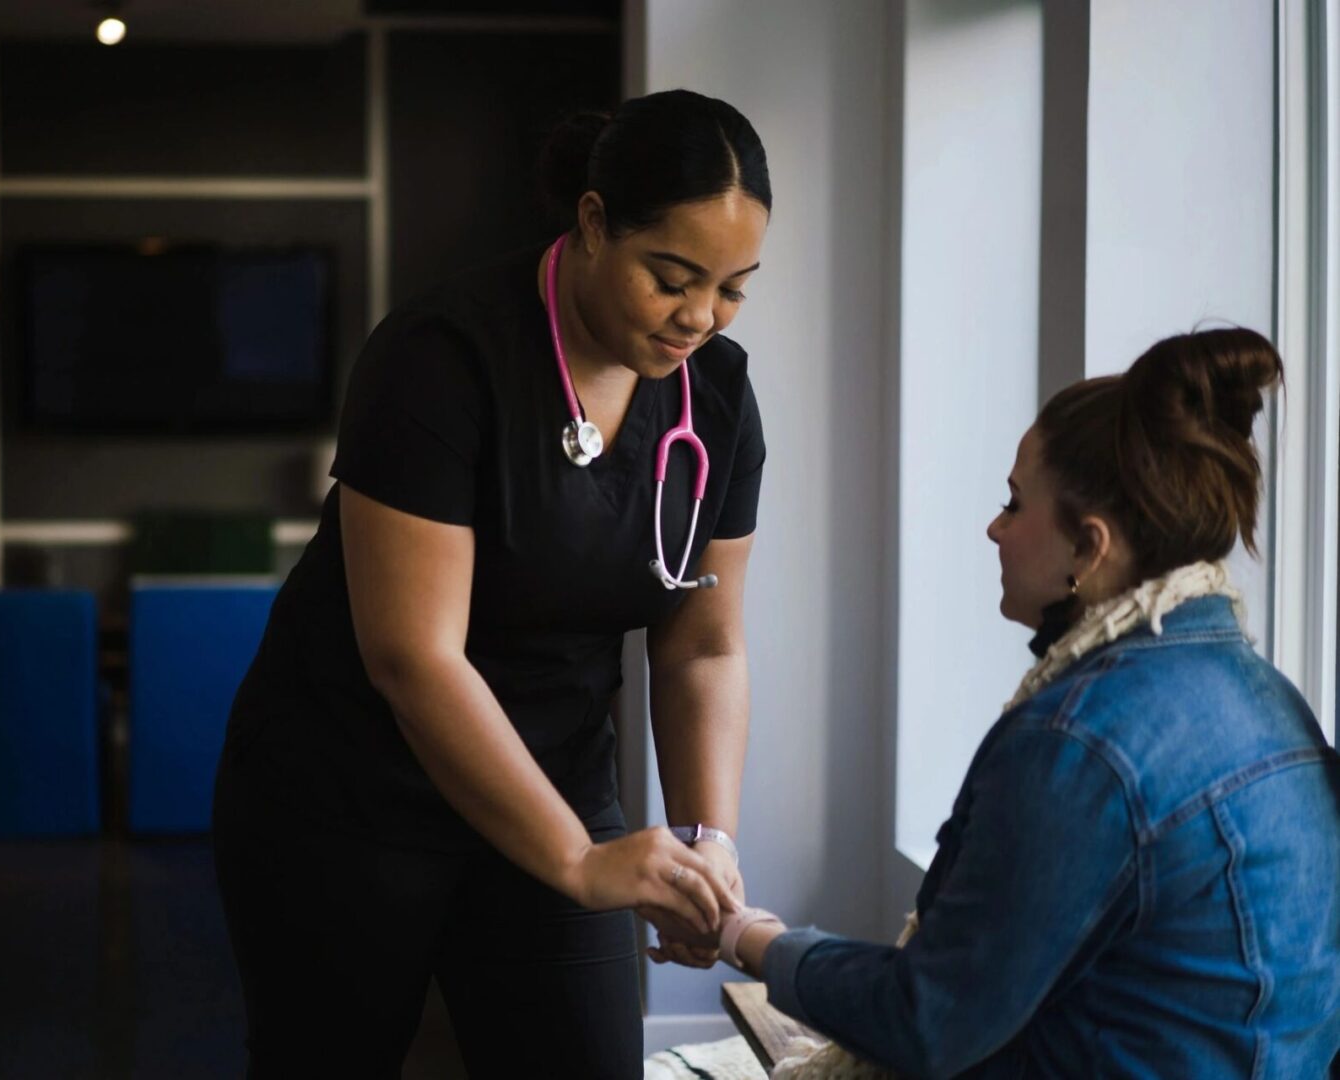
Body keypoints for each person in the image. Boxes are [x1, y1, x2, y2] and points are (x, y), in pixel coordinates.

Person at [212, 88, 771, 1078]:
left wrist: (703, 840)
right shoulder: (441, 358)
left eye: (732, 287)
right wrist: (580, 861)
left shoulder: (715, 397)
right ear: (594, 223)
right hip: (348, 796)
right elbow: (413, 657)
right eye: (672, 276)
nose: (700, 317)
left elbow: (702, 644)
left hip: (554, 772)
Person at [696, 329, 1340, 1077]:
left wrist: (752, 939)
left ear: (1087, 549)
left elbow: (928, 1021)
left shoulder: (1083, 741)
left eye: (1014, 503)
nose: (994, 529)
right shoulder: (1272, 702)